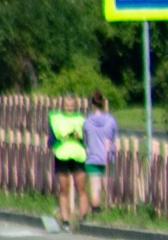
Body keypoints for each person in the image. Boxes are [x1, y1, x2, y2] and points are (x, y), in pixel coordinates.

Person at [46, 102, 88, 230]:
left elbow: (87, 140)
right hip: (62, 156)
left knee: (81, 187)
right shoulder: (56, 119)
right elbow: (50, 142)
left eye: (71, 105)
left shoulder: (81, 119)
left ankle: (82, 218)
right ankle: (65, 220)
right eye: (67, 105)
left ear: (75, 106)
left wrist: (79, 138)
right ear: (63, 106)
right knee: (64, 188)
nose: (69, 107)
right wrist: (60, 139)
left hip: (78, 156)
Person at [83, 92, 119, 215]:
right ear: (103, 104)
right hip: (107, 157)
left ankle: (96, 211)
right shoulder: (111, 121)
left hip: (92, 157)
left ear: (92, 105)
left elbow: (85, 140)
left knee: (95, 188)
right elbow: (114, 136)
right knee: (107, 185)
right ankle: (109, 210)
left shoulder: (87, 122)